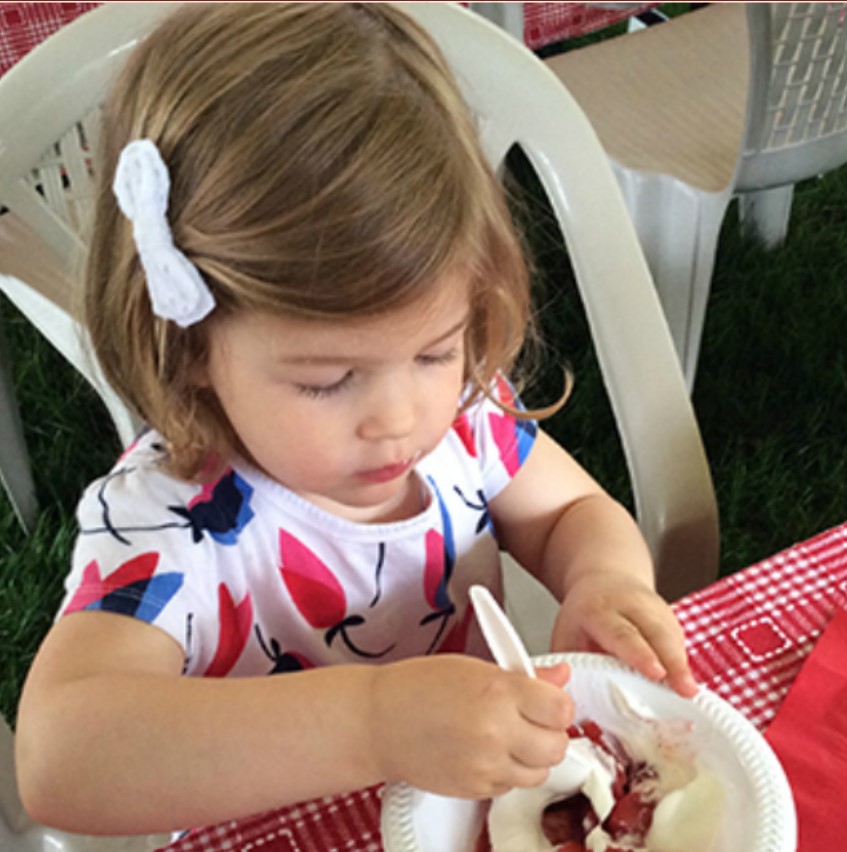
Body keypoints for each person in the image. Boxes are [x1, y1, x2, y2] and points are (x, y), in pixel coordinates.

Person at [15, 2, 697, 837]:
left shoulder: (465, 422)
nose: (401, 419)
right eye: (328, 381)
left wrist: (602, 580)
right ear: (189, 347)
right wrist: (371, 722)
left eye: (435, 350)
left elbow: (568, 513)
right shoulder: (172, 522)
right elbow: (62, 759)